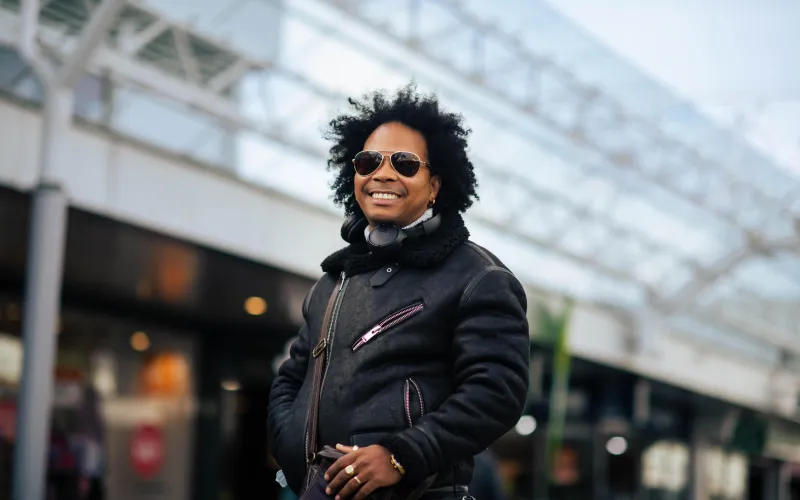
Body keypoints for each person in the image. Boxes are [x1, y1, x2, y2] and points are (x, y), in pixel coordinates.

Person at [268, 83, 530, 500]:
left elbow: (497, 392)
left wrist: (400, 457)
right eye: (369, 161)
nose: (383, 174)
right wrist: (288, 442)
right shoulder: (333, 282)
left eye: (405, 164)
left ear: (435, 186)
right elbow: (291, 378)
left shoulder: (479, 277)